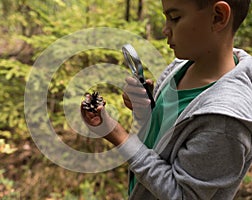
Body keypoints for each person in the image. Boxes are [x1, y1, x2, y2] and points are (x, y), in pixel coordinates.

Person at [81, 0, 252, 199]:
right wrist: (144, 112)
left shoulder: (225, 121)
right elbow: (161, 141)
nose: (165, 30)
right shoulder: (178, 68)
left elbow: (182, 195)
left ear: (218, 17)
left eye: (175, 18)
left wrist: (119, 137)